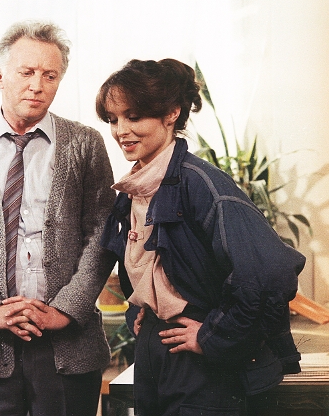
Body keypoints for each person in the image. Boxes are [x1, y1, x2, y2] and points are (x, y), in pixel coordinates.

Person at [96, 58, 306, 415]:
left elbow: (271, 271)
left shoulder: (201, 183)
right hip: (156, 351)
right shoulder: (135, 188)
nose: (121, 131)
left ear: (171, 114)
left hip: (201, 363)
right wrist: (143, 314)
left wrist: (212, 335)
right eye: (113, 119)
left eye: (134, 117)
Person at [0, 20, 115, 416]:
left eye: (50, 75)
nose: (37, 85)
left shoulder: (85, 144)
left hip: (66, 344)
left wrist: (66, 309)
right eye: (26, 72)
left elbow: (102, 235)